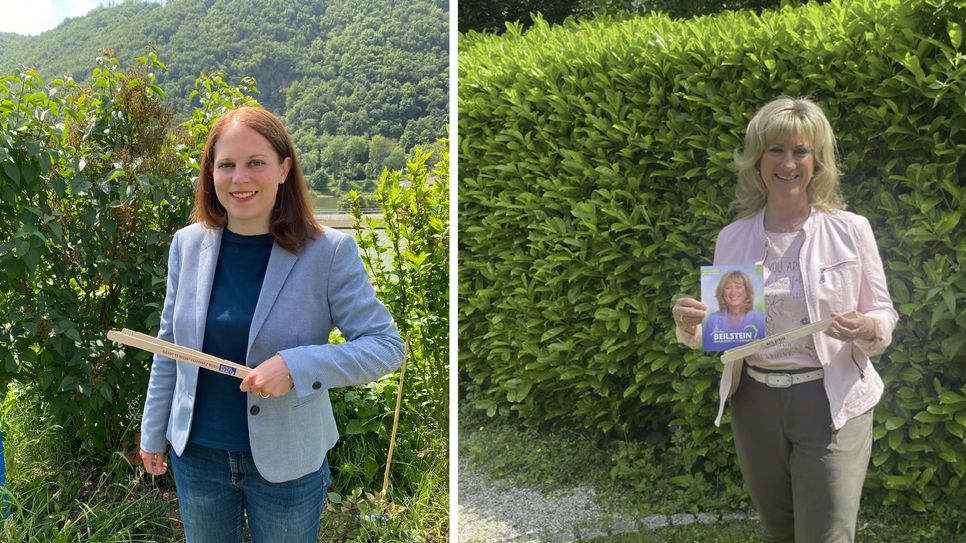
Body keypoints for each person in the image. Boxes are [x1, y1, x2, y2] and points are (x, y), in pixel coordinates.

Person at [139, 106, 404, 542]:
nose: (239, 178)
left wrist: (296, 367)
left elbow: (385, 346)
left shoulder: (329, 251)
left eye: (255, 163)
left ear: (284, 169)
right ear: (211, 173)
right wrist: (153, 432)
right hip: (198, 458)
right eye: (226, 165)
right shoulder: (187, 245)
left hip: (290, 463)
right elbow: (170, 346)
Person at [671, 97, 897, 542]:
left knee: (826, 535)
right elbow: (725, 334)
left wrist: (867, 328)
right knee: (782, 532)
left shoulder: (851, 229)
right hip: (756, 403)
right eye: (776, 150)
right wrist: (690, 327)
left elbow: (883, 313)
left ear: (818, 162)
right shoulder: (733, 238)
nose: (788, 163)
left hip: (832, 400)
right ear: (757, 160)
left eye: (800, 151)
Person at [703, 269, 766, 350]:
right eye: (728, 288)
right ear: (722, 292)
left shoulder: (760, 318)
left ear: (747, 291)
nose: (733, 292)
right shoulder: (713, 319)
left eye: (739, 287)